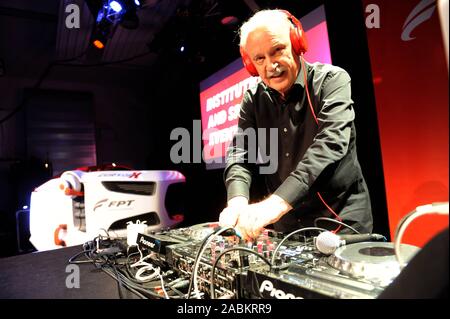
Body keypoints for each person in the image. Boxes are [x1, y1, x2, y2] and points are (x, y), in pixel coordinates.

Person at [218, 9, 373, 241]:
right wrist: (237, 203)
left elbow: (330, 145)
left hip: (338, 222)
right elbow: (240, 155)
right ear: (251, 64)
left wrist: (274, 205)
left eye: (277, 50)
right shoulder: (253, 99)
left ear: (296, 43)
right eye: (260, 59)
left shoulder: (332, 80)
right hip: (288, 228)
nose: (271, 65)